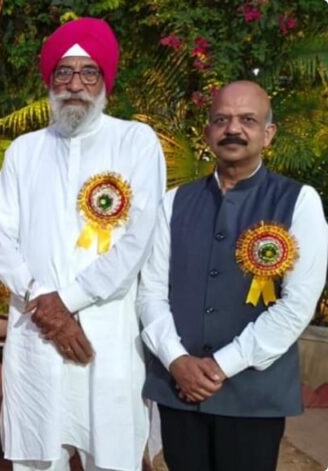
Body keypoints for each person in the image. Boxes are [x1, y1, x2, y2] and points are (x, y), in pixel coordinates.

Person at [0, 17, 167, 471]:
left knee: (112, 455)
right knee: (37, 457)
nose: (74, 85)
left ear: (105, 81)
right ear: (49, 81)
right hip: (36, 335)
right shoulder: (23, 150)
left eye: (89, 73)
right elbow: (1, 239)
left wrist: (64, 302)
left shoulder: (135, 142)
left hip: (107, 335)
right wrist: (41, 299)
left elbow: (138, 240)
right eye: (64, 73)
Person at [138, 80, 328, 471]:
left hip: (252, 394)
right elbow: (151, 291)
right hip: (179, 389)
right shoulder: (175, 202)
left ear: (268, 133)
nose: (233, 129)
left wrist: (221, 365)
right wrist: (176, 360)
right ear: (208, 131)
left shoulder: (298, 201)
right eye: (221, 119)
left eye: (247, 120)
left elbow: (297, 305)